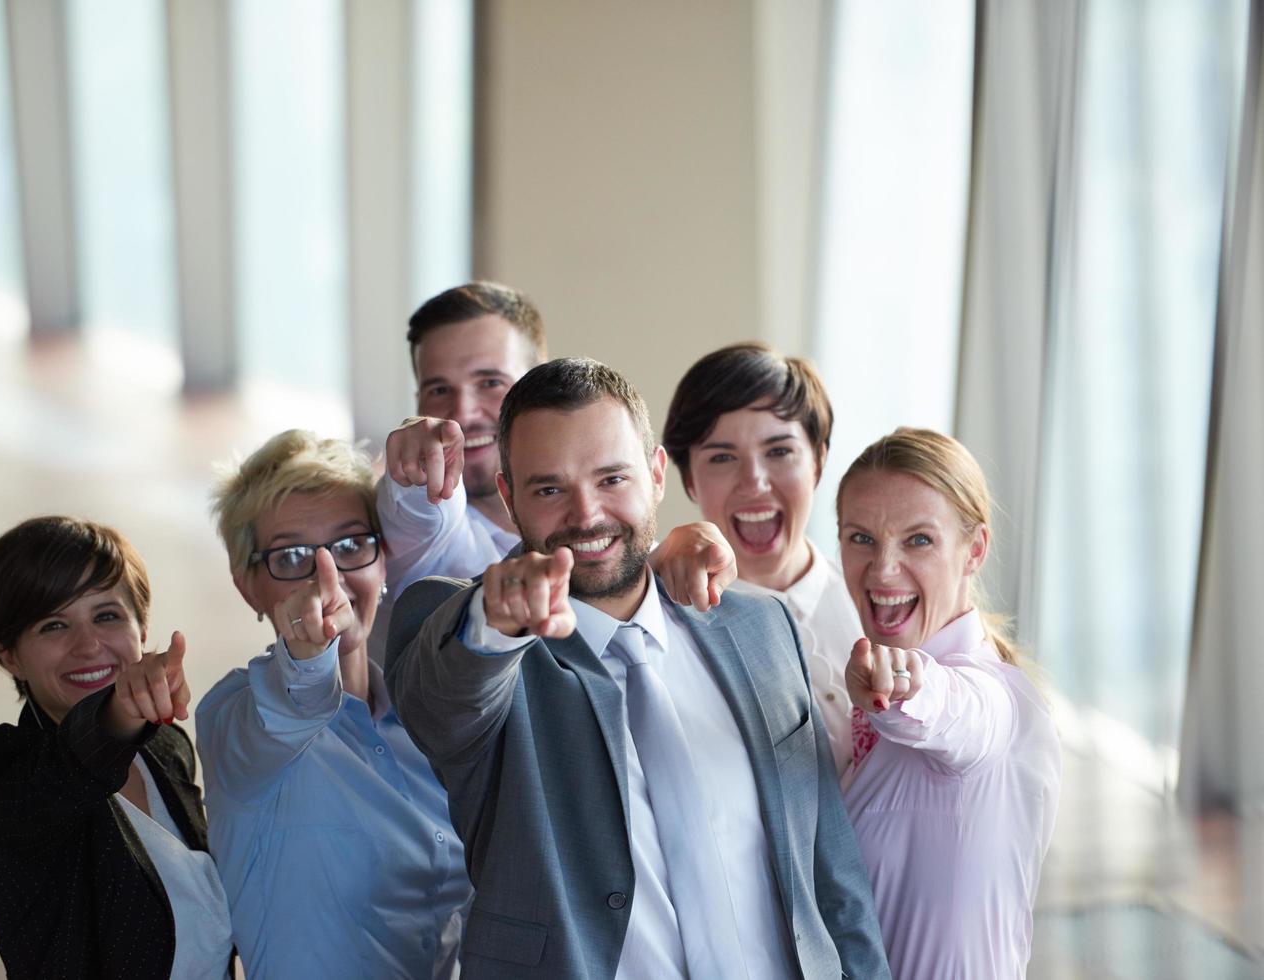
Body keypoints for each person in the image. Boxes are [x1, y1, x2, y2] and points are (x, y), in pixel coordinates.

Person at [387, 358, 890, 980]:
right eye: (549, 489)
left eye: (611, 478)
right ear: (510, 499)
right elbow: (445, 701)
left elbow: (829, 872)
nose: (587, 514)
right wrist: (497, 618)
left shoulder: (760, 624)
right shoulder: (474, 630)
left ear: (655, 475)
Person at [196, 430, 472, 980]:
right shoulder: (235, 715)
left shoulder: (425, 719)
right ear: (248, 585)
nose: (330, 577)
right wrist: (305, 657)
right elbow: (289, 706)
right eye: (293, 556)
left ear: (384, 562)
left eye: (350, 545)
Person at [0, 516, 231, 979]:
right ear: (8, 654)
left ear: (142, 629)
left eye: (107, 615)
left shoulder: (165, 747)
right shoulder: (1, 768)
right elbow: (69, 771)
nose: (88, 646)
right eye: (52, 625)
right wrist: (120, 714)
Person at [835, 427, 1061, 979]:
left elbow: (957, 712)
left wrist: (906, 686)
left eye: (918, 540)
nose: (883, 569)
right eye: (861, 538)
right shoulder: (856, 707)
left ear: (974, 550)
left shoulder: (995, 698)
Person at [659, 342, 862, 774]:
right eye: (722, 457)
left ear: (819, 463)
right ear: (689, 481)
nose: (754, 483)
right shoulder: (664, 630)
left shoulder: (875, 605)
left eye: (779, 451)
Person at [369, 282, 548, 660]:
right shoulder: (428, 535)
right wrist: (413, 472)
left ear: (540, 386)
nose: (462, 412)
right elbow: (419, 511)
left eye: (490, 382)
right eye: (438, 390)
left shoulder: (587, 515)